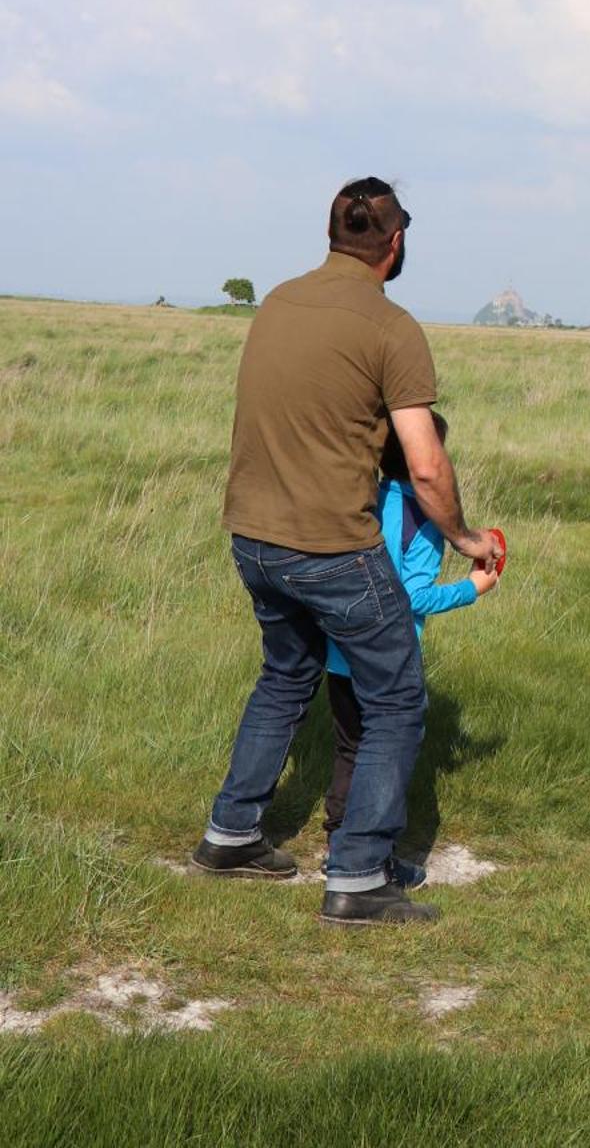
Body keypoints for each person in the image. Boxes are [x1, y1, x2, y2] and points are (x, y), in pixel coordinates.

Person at [191, 179, 500, 926]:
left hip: (253, 540)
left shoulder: (278, 302)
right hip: (331, 547)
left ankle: (230, 834)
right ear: (395, 243)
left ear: (332, 232)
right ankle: (360, 875)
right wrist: (465, 541)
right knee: (396, 698)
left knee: (285, 675)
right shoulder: (391, 327)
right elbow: (423, 464)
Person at [323, 413, 499, 882]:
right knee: (387, 751)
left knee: (349, 749)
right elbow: (413, 597)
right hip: (388, 653)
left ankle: (337, 841)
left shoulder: (367, 500)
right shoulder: (422, 519)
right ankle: (370, 859)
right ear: (429, 457)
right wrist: (472, 588)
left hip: (339, 652)